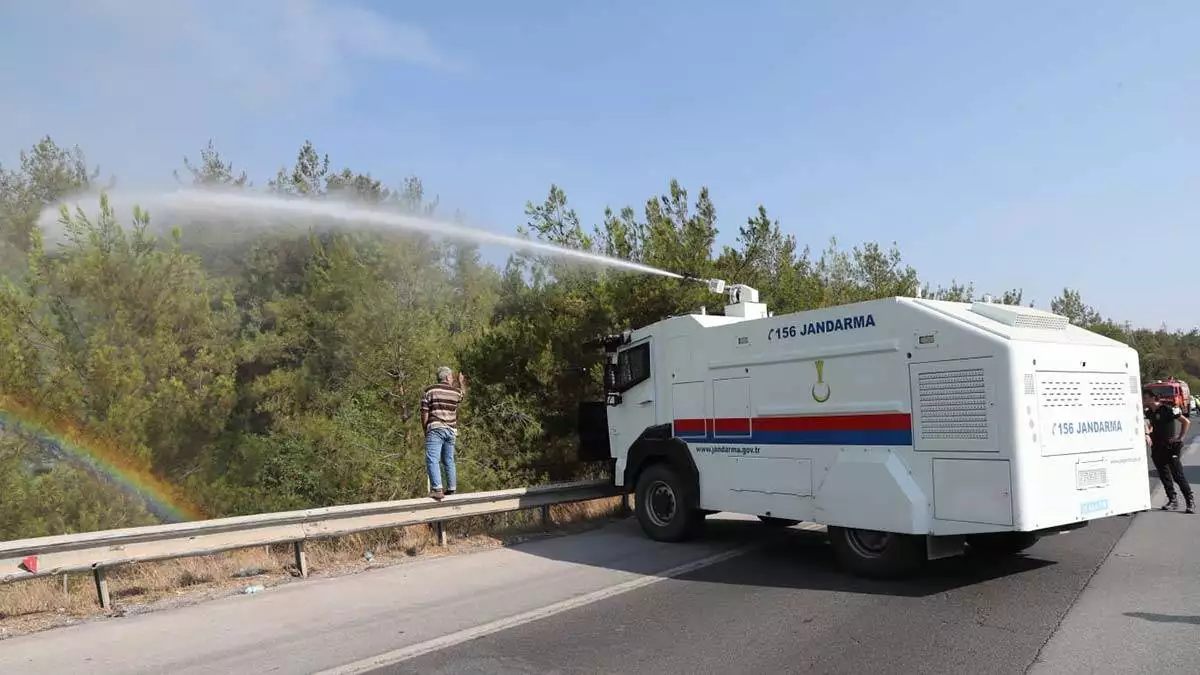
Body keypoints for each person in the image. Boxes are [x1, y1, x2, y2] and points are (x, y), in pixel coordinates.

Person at [1143, 389, 1193, 513]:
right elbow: (1148, 424)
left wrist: (1180, 438)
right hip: (1157, 448)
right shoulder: (1149, 412)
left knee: (1177, 475)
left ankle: (1190, 501)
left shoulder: (1167, 409)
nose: (1144, 400)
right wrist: (1147, 434)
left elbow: (1186, 421)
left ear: (1153, 398)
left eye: (1145, 397)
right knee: (1165, 476)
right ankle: (1172, 500)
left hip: (1170, 448)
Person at [420, 366, 466, 501]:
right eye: (451, 377)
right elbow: (462, 395)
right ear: (447, 377)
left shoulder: (429, 391)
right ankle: (451, 488)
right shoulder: (456, 392)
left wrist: (425, 429)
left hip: (435, 428)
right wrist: (461, 381)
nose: (452, 379)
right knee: (449, 460)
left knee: (432, 459)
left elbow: (424, 412)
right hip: (451, 431)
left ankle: (437, 489)